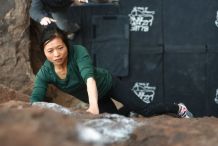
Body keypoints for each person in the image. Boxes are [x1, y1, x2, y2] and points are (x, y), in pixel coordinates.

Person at [30, 24, 193, 118]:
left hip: (109, 84)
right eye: (50, 51)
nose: (56, 54)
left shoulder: (78, 51)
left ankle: (179, 108)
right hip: (99, 98)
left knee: (146, 110)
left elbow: (89, 78)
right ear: (43, 52)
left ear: (67, 45)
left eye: (60, 48)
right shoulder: (46, 73)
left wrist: (93, 106)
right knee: (114, 121)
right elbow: (36, 97)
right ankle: (129, 108)